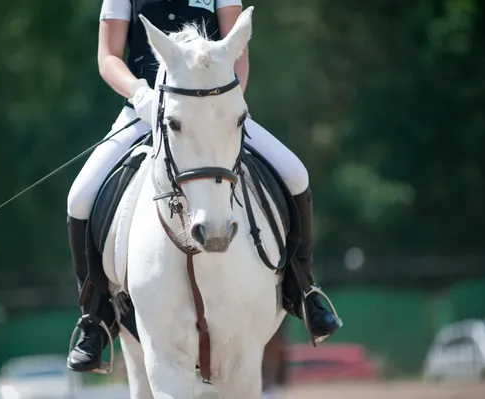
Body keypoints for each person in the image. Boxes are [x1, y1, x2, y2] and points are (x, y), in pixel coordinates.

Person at [65, 0, 341, 373]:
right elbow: (108, 56)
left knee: (295, 174)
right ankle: (95, 318)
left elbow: (236, 50)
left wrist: (225, 103)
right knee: (80, 198)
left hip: (213, 111)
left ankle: (303, 290)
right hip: (146, 109)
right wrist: (141, 94)